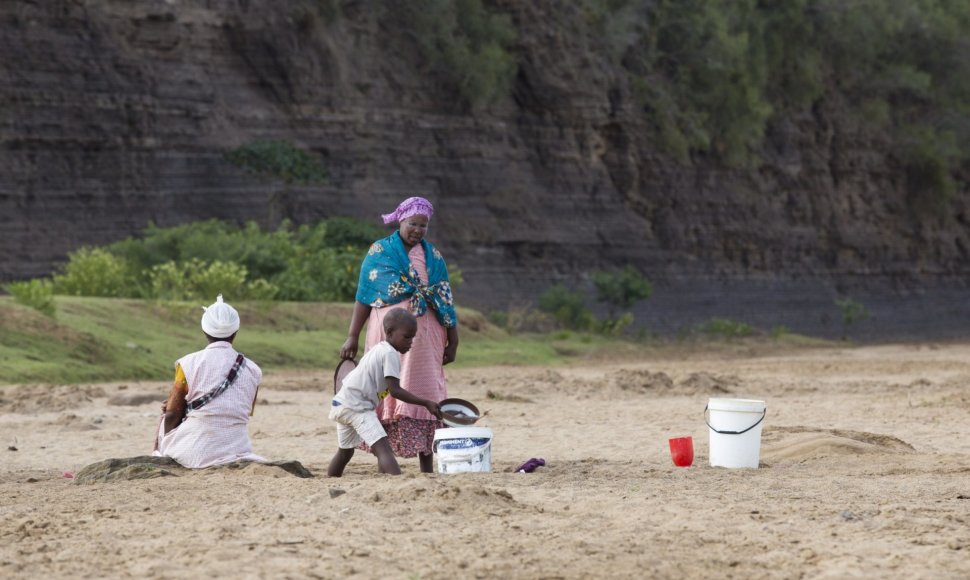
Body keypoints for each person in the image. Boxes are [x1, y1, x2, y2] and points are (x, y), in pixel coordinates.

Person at [338, 196, 459, 473]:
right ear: (400, 220)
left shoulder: (434, 256)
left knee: (425, 390)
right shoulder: (380, 251)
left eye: (423, 225)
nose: (417, 229)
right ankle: (385, 460)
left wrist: (454, 339)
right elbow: (364, 297)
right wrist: (352, 336)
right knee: (385, 389)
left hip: (427, 338)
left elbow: (444, 298)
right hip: (387, 335)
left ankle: (426, 464)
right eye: (412, 223)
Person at [153, 295, 265, 468]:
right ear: (235, 332)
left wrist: (165, 442)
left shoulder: (188, 363)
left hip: (195, 452)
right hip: (238, 448)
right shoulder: (253, 369)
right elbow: (242, 410)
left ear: (205, 330)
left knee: (165, 415)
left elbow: (173, 414)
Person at [329, 309, 441, 476]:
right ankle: (398, 482)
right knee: (384, 450)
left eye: (413, 337)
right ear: (389, 332)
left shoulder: (378, 349)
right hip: (357, 408)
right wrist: (425, 403)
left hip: (341, 404)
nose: (411, 342)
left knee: (345, 452)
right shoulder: (390, 353)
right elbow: (395, 391)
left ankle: (330, 480)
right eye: (406, 337)